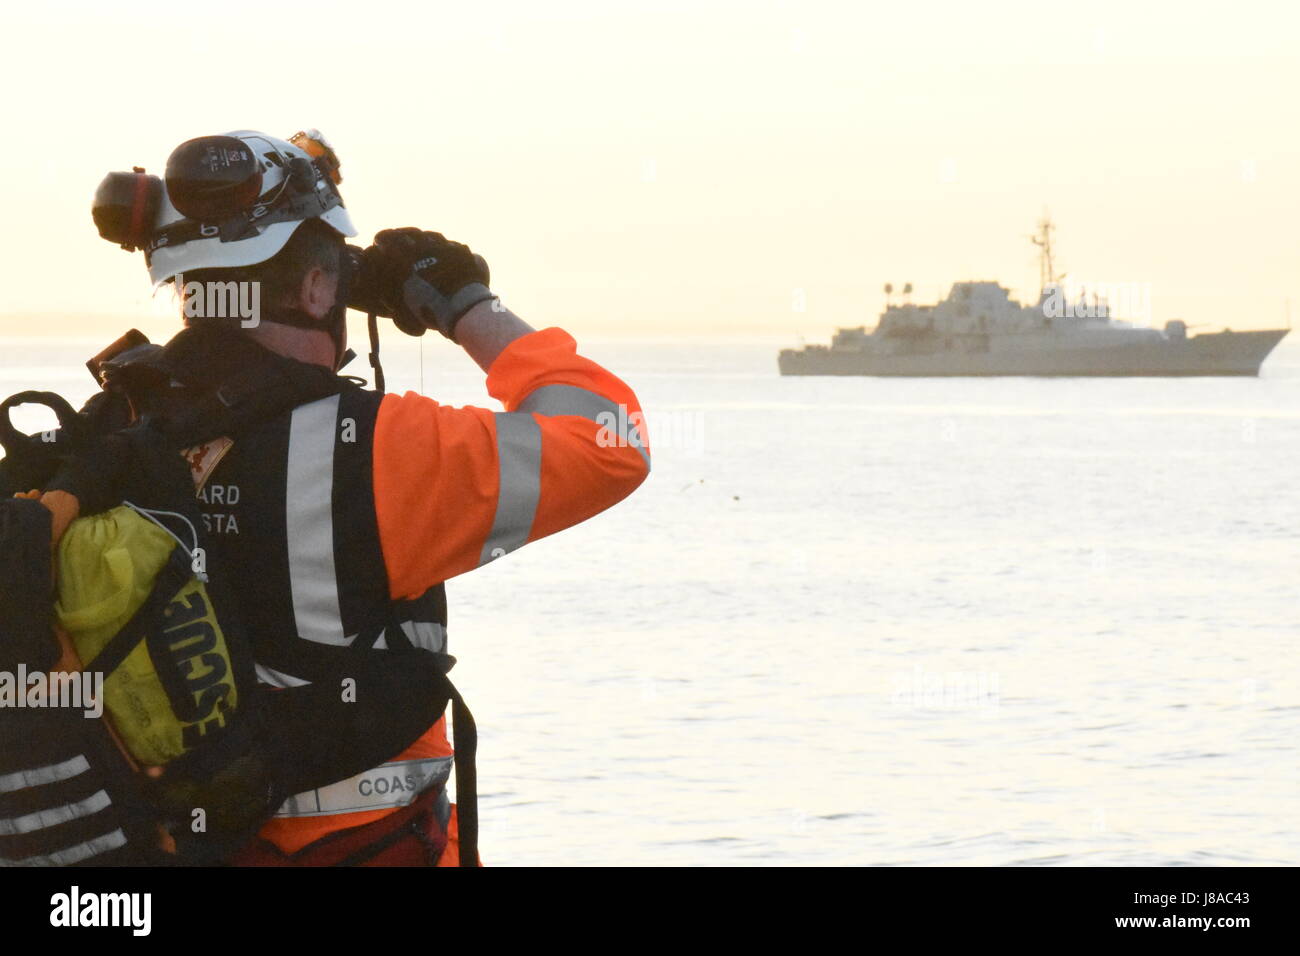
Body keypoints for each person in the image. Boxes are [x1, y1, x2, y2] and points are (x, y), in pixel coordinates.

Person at [90, 129, 650, 865]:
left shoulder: (109, 438)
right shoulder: (377, 450)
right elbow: (612, 440)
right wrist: (462, 304)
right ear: (320, 289)